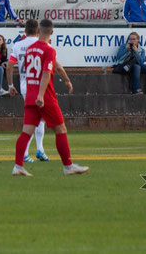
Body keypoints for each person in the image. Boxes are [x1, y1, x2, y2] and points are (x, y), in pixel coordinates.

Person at [12, 19, 88, 177]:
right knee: (61, 129)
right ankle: (68, 166)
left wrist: (38, 93)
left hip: (30, 94)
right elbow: (46, 73)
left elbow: (37, 68)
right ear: (52, 32)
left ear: (38, 30)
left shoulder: (30, 49)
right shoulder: (49, 50)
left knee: (26, 132)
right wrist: (41, 94)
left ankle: (18, 165)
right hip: (44, 96)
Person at [6, 19, 49, 163]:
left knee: (40, 118)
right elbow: (49, 68)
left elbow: (10, 66)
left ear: (24, 31)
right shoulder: (43, 44)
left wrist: (11, 85)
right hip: (38, 85)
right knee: (35, 119)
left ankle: (40, 150)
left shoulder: (18, 45)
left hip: (25, 85)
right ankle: (26, 153)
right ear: (38, 30)